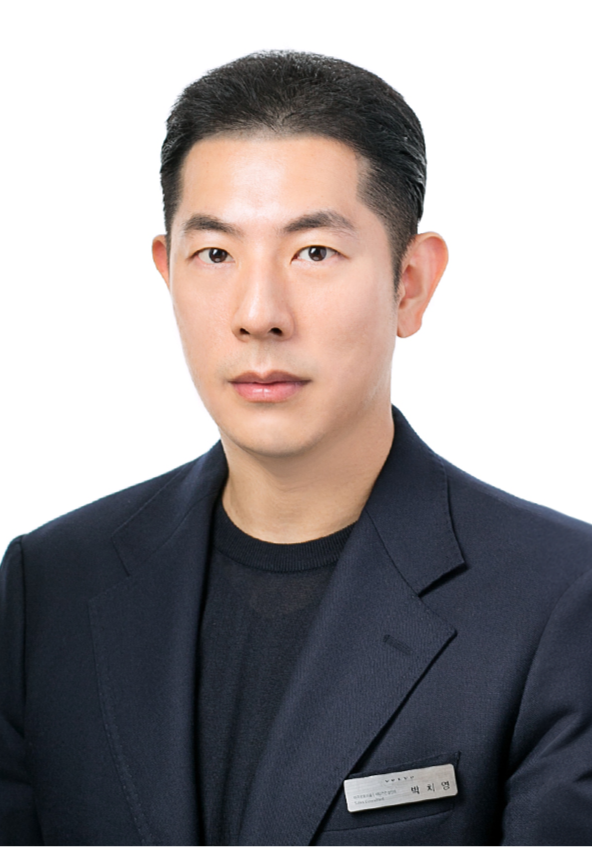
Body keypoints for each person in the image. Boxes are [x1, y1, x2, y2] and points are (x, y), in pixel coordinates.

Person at [1, 50, 591, 847]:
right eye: (215, 254)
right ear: (167, 272)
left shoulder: (560, 601)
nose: (258, 312)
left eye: (314, 252)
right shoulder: (49, 587)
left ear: (410, 283)